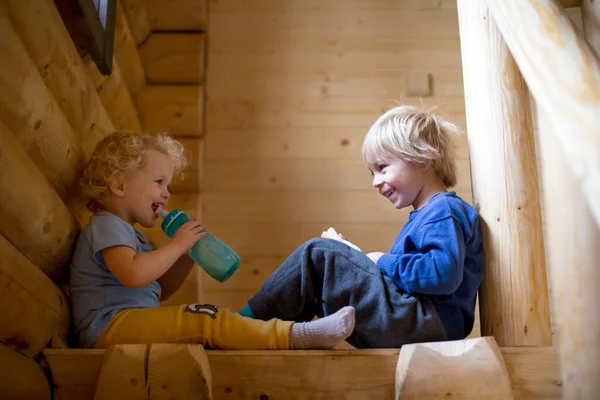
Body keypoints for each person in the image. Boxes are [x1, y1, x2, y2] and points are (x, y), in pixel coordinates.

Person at [69, 132, 355, 350]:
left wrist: (186, 255)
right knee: (204, 316)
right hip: (109, 328)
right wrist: (177, 246)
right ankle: (296, 335)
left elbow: (159, 289)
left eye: (167, 185)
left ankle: (288, 332)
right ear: (119, 185)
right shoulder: (106, 224)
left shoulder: (131, 236)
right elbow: (132, 274)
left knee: (207, 317)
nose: (166, 193)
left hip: (128, 323)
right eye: (159, 182)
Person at [239, 105, 484, 348]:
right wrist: (356, 258)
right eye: (372, 173)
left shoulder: (442, 211)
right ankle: (278, 335)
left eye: (382, 168)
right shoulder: (430, 214)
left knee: (319, 255)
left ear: (422, 159)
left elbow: (442, 275)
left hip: (427, 320)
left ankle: (240, 327)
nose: (376, 182)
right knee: (325, 271)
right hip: (422, 320)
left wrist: (381, 261)